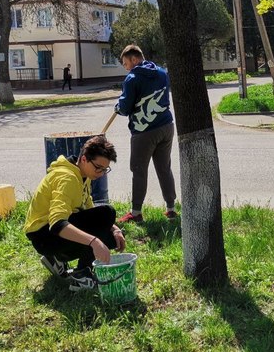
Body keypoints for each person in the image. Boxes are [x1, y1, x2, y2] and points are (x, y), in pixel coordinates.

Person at [24, 135, 126, 291]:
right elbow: (57, 224)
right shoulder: (68, 178)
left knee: (112, 236)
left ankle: (57, 259)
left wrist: (115, 229)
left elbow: (89, 212)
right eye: (98, 167)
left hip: (48, 233)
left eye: (105, 169)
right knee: (107, 213)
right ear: (84, 159)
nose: (101, 173)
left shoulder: (83, 175)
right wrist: (94, 242)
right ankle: (81, 275)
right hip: (43, 235)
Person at [115, 44, 178, 223]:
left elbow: (125, 108)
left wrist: (118, 107)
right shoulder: (162, 73)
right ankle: (171, 209)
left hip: (144, 131)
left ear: (134, 59)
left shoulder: (132, 78)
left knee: (139, 170)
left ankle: (135, 213)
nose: (125, 67)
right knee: (164, 168)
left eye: (125, 62)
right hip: (166, 126)